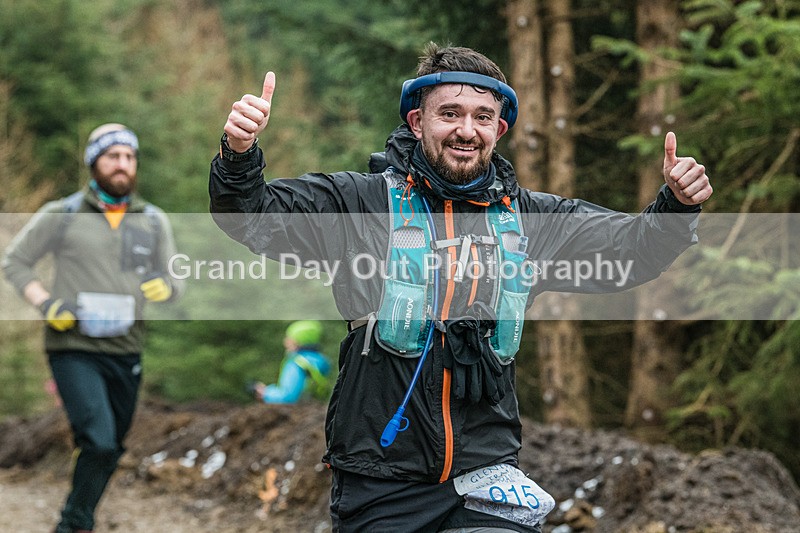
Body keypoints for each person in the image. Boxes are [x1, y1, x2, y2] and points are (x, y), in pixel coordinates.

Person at [209, 43, 712, 532]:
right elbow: (250, 216)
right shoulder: (361, 204)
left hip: (486, 475)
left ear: (500, 128)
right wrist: (239, 153)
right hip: (379, 478)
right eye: (449, 113)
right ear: (417, 122)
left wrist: (676, 207)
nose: (466, 130)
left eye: (482, 116)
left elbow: (631, 251)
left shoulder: (532, 220)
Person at [2, 123, 182, 533]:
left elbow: (177, 281)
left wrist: (166, 287)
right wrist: (45, 303)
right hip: (73, 346)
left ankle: (78, 516)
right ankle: (74, 524)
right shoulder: (62, 214)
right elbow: (15, 262)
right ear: (94, 163)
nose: (122, 165)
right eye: (112, 156)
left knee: (111, 446)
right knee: (98, 440)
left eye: (129, 157)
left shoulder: (152, 221)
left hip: (127, 348)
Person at [250, 320, 332, 403]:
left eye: (289, 338)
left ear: (298, 342)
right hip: (319, 411)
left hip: (298, 413)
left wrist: (265, 392)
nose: (285, 342)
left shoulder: (297, 363)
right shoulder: (321, 361)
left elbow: (288, 397)